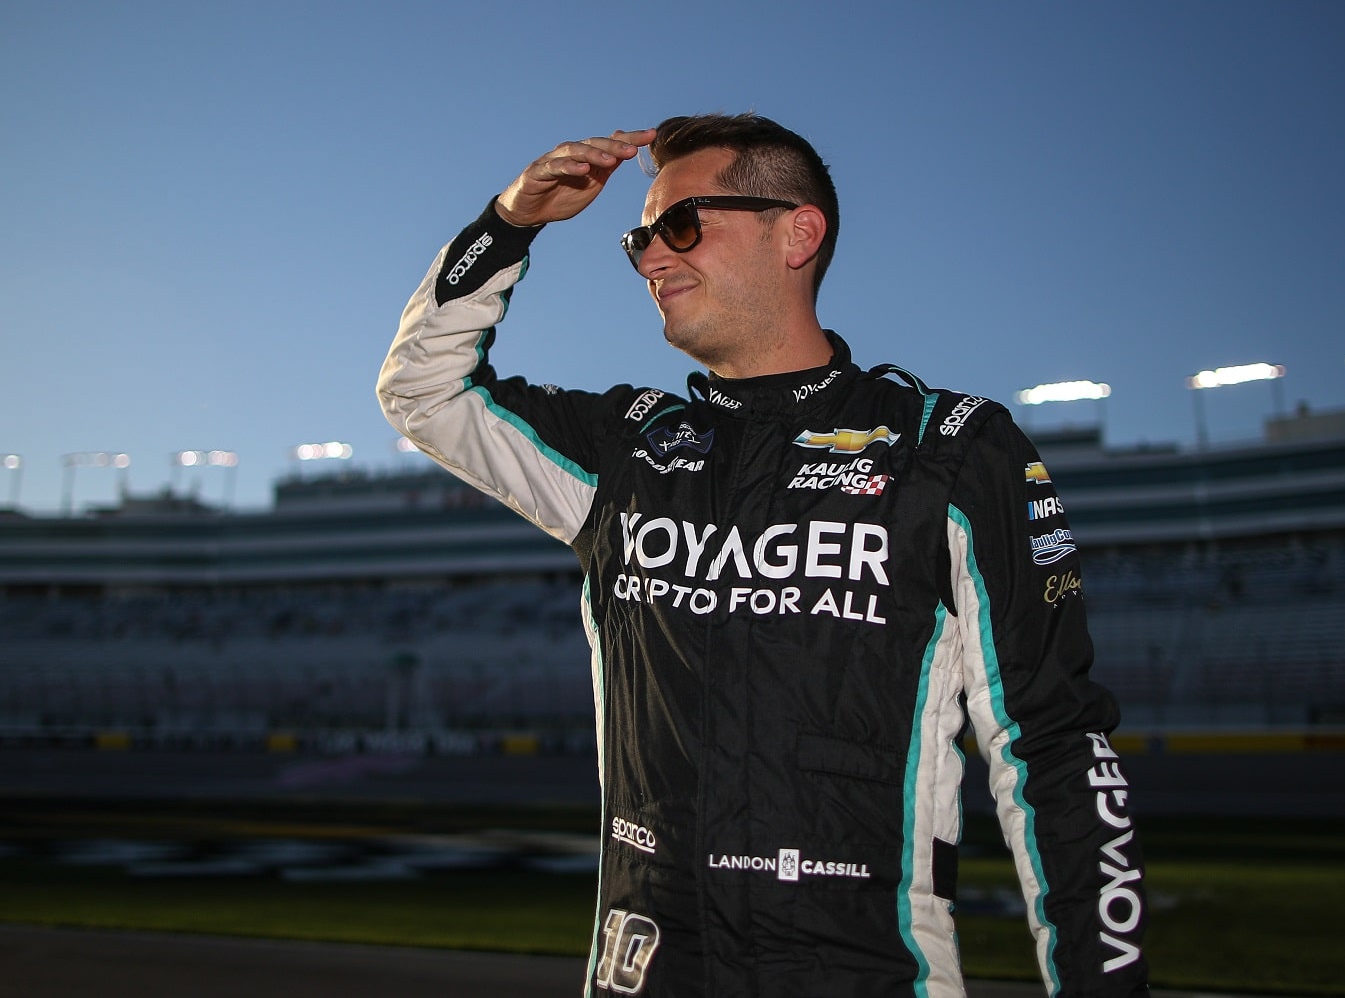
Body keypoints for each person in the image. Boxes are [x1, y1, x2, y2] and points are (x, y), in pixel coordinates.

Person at [378, 113, 1148, 997]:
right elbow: (422, 389)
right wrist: (512, 222)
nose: (651, 259)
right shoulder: (625, 452)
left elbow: (1053, 748)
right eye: (640, 239)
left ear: (798, 232)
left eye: (681, 224)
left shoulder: (950, 449)